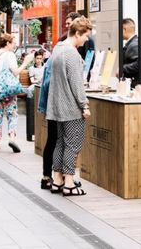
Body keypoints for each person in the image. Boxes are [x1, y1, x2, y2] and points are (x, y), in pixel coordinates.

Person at [46, 16, 92, 196]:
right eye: (86, 35)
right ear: (78, 33)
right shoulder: (72, 53)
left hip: (56, 105)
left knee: (60, 143)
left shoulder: (58, 49)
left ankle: (57, 180)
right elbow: (76, 83)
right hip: (71, 107)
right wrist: (84, 105)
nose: (86, 39)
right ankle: (69, 182)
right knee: (73, 144)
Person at [0, 33, 34, 152]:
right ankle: (12, 138)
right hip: (7, 90)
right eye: (13, 43)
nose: (14, 46)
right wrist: (26, 62)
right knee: (12, 114)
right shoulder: (10, 55)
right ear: (7, 43)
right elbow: (16, 72)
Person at [122, 18, 141, 89]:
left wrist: (122, 69)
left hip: (136, 86)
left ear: (124, 30)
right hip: (136, 85)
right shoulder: (135, 43)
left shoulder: (134, 44)